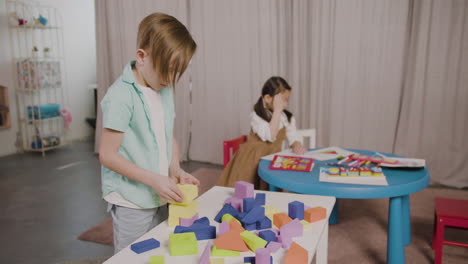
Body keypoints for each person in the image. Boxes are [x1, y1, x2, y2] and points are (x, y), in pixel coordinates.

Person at [98, 13, 199, 253]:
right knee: (131, 255)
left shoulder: (163, 89)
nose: (171, 79)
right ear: (142, 57)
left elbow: (168, 136)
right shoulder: (120, 97)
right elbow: (107, 155)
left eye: (177, 72)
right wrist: (154, 180)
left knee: (159, 250)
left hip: (159, 192)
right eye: (168, 70)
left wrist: (175, 169)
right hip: (132, 199)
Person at [217, 76, 306, 190]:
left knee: (269, 189)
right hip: (251, 160)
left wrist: (296, 143)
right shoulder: (257, 116)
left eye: (287, 100)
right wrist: (277, 110)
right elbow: (271, 136)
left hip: (270, 159)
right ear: (268, 98)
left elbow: (292, 135)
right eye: (282, 100)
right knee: (246, 191)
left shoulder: (286, 117)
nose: (285, 105)